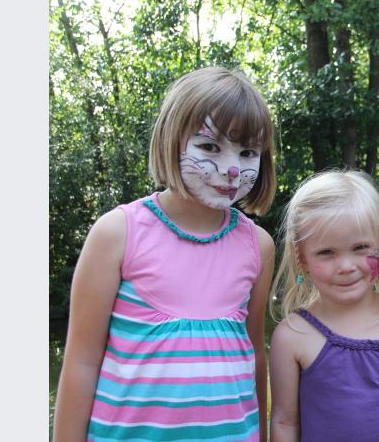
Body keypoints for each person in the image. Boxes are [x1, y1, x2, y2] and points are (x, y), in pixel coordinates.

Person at [53, 67, 276, 441]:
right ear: (171, 142)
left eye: (248, 151)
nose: (232, 169)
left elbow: (254, 353)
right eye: (209, 146)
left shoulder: (259, 245)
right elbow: (80, 361)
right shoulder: (117, 233)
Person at [268, 171, 379, 442]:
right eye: (326, 252)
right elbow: (284, 422)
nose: (346, 266)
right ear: (302, 259)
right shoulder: (292, 336)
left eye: (360, 247)